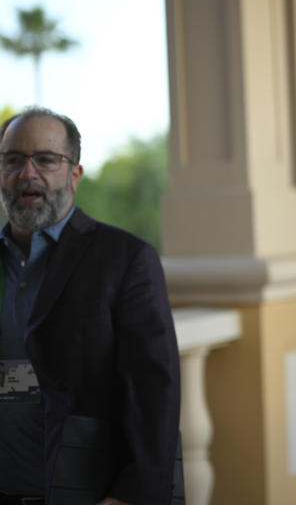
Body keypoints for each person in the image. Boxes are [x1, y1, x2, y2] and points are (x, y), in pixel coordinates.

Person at [0, 108, 181, 504]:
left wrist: (128, 497)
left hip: (87, 493)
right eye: (13, 160)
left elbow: (154, 396)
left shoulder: (126, 259)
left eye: (46, 159)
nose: (27, 173)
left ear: (74, 175)